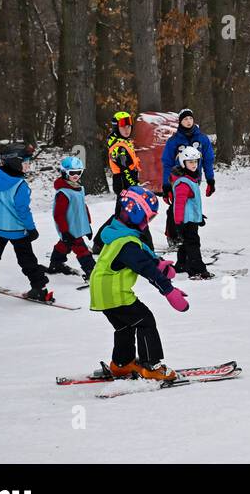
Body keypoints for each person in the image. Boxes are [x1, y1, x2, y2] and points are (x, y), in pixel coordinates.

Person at [88, 185, 189, 382]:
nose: (147, 222)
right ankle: (151, 365)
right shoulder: (127, 243)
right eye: (147, 217)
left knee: (125, 326)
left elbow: (142, 256)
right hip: (114, 293)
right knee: (145, 320)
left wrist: (160, 265)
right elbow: (145, 267)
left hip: (102, 292)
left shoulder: (117, 232)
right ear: (135, 214)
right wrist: (168, 290)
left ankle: (121, 364)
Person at [0, 144, 51, 302]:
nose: (28, 165)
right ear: (14, 162)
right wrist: (31, 229)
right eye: (25, 161)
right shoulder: (20, 186)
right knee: (28, 261)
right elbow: (23, 211)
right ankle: (40, 289)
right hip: (18, 231)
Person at [160, 109, 215, 248]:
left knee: (191, 205)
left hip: (194, 179)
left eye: (190, 118)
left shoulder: (202, 138)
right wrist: (166, 185)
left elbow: (208, 160)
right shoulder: (174, 140)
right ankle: (173, 235)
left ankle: (189, 234)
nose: (188, 121)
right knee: (176, 206)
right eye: (185, 119)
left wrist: (210, 180)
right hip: (177, 179)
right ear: (180, 122)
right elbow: (167, 163)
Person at [48, 155, 95, 279]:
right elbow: (58, 215)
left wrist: (88, 225)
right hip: (69, 228)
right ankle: (92, 271)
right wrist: (64, 231)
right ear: (64, 172)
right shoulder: (63, 193)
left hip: (77, 226)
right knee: (81, 249)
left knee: (64, 244)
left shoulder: (78, 188)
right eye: (72, 172)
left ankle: (56, 264)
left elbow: (82, 207)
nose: (76, 175)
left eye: (78, 172)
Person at [169, 145, 212, 279]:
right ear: (183, 163)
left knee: (187, 243)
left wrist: (199, 217)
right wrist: (178, 222)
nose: (194, 165)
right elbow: (179, 204)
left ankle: (181, 265)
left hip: (191, 219)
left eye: (195, 162)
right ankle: (197, 269)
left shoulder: (191, 178)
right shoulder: (184, 183)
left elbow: (192, 204)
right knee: (193, 244)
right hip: (185, 220)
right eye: (190, 162)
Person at [106, 111, 141, 195]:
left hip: (127, 183)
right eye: (123, 127)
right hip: (124, 186)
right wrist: (134, 186)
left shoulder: (124, 142)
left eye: (129, 126)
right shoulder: (119, 147)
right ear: (116, 128)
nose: (127, 130)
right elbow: (125, 170)